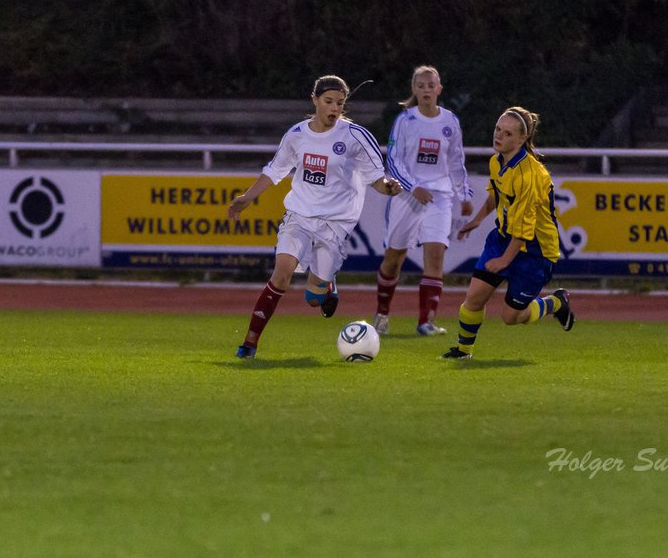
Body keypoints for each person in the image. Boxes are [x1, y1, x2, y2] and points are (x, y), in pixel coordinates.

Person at [228, 75, 402, 359]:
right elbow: (275, 170)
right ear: (315, 100)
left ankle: (327, 284)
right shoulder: (297, 134)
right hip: (299, 214)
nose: (334, 108)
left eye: (340, 103)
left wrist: (390, 188)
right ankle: (250, 342)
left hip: (335, 223)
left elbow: (376, 179)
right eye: (329, 101)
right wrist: (247, 197)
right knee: (281, 273)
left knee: (313, 299)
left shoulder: (354, 136)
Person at [440, 106, 574, 360]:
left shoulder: (530, 175)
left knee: (511, 317)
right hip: (503, 239)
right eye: (498, 129)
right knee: (474, 297)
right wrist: (477, 220)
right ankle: (463, 351)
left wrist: (505, 261)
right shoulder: (497, 161)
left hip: (535, 251)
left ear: (522, 139)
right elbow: (497, 196)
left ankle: (556, 303)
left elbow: (524, 229)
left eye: (507, 133)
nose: (499, 136)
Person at [372, 65, 474, 337]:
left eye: (431, 85)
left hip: (439, 196)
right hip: (407, 197)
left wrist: (463, 193)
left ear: (439, 89)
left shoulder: (450, 122)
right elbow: (393, 160)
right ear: (414, 90)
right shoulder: (405, 121)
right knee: (394, 258)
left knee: (436, 254)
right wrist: (412, 186)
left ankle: (426, 321)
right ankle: (382, 314)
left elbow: (455, 161)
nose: (427, 89)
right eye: (421, 85)